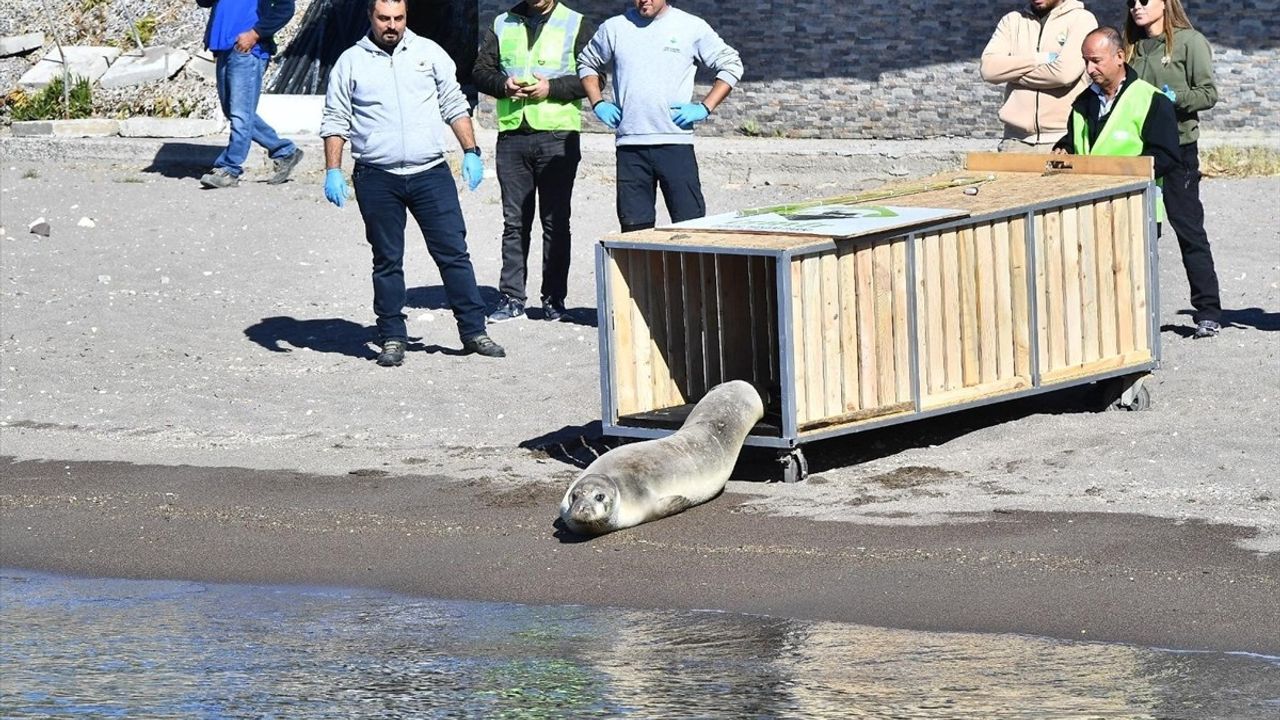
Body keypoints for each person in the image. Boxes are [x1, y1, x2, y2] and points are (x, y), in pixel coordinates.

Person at [319, 0, 505, 366]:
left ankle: (474, 331)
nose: (392, 25)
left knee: (453, 253)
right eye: (384, 18)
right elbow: (335, 118)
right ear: (370, 17)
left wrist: (471, 150)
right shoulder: (350, 62)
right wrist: (333, 169)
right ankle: (391, 336)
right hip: (377, 176)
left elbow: (454, 102)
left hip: (430, 173)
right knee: (387, 260)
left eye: (399, 18)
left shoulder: (428, 52)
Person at [472, 0, 597, 323]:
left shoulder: (576, 23)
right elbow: (480, 71)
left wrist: (551, 88)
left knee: (556, 223)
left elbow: (594, 78)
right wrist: (503, 85)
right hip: (513, 135)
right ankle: (512, 297)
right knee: (514, 223)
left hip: (557, 137)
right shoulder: (503, 22)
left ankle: (554, 300)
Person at [577, 0, 743, 233]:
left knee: (691, 227)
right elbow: (586, 63)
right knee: (635, 231)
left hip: (675, 143)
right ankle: (643, 271)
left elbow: (732, 64)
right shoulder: (614, 28)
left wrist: (705, 107)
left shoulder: (691, 26)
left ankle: (688, 271)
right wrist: (598, 103)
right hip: (631, 146)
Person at [1125, 0, 1222, 338]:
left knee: (1188, 229)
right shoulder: (1129, 46)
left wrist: (1175, 97)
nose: (1136, 6)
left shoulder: (1189, 41)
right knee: (1140, 233)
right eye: (1130, 1)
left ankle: (1207, 311)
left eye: (1143, 0)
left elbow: (1208, 93)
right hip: (1140, 152)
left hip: (1179, 150)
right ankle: (1136, 314)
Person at [196, 0, 304, 189]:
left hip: (248, 50)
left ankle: (229, 169)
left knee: (240, 113)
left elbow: (285, 8)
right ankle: (285, 151)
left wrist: (254, 34)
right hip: (224, 48)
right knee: (234, 111)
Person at [981, 0, 1098, 153]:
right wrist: (1038, 59)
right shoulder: (1012, 21)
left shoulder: (1081, 19)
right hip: (1015, 141)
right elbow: (988, 69)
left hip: (1063, 140)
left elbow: (1063, 74)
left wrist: (1010, 73)